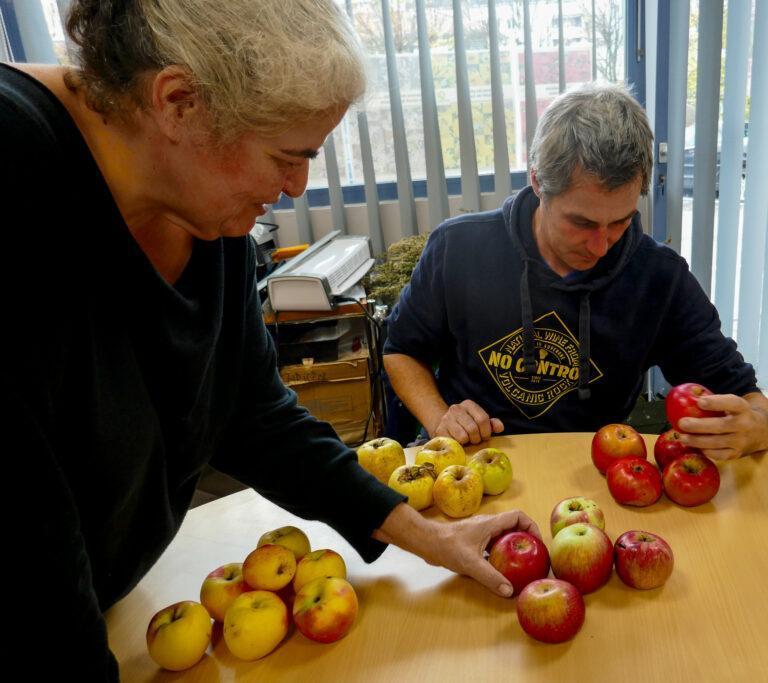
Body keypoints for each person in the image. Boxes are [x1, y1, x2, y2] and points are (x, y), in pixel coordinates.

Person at [1, 1, 537, 678]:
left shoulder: (201, 206)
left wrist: (427, 536)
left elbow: (252, 415)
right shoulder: (16, 175)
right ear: (179, 102)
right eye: (288, 156)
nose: (296, 187)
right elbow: (21, 550)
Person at [384, 83, 768, 458]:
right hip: (474, 458)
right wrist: (439, 418)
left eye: (621, 222)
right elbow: (402, 351)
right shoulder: (459, 248)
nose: (601, 246)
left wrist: (757, 425)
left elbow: (747, 397)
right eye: (583, 223)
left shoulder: (659, 278)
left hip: (594, 471)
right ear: (538, 181)